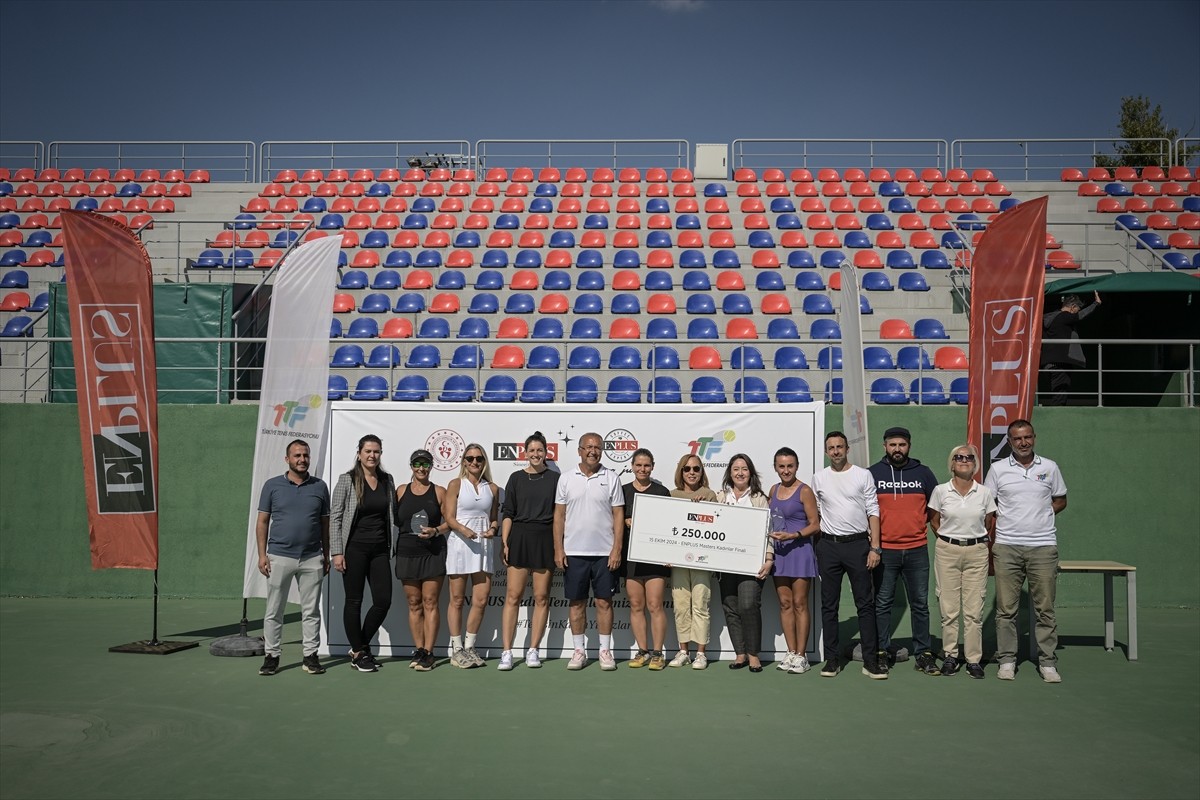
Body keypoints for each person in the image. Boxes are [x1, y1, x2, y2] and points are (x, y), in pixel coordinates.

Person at [984, 420, 1069, 683]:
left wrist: (1041, 515)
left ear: (1034, 438)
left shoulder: (1050, 467)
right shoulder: (998, 469)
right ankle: (1007, 660)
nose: (1023, 442)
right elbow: (988, 504)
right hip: (1007, 546)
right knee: (1006, 610)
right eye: (1017, 439)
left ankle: (1047, 663)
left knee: (1045, 609)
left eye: (1028, 437)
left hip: (1043, 547)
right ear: (1009, 441)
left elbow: (1060, 500)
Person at [810, 431, 887, 679]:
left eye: (840, 447)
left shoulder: (863, 475)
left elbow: (873, 510)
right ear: (826, 451)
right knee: (829, 606)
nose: (835, 451)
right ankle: (832, 660)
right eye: (831, 448)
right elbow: (817, 513)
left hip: (858, 547)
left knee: (865, 605)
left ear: (847, 449)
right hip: (828, 547)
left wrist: (875, 547)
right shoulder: (819, 478)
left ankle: (870, 661)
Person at [867, 426, 939, 675]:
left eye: (902, 445)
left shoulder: (924, 473)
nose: (897, 449)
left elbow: (935, 508)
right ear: (884, 446)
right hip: (884, 550)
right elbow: (865, 510)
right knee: (883, 604)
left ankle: (924, 653)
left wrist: (921, 528)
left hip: (917, 550)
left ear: (909, 446)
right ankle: (881, 651)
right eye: (892, 444)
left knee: (920, 604)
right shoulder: (872, 474)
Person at [255, 439, 330, 677]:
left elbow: (325, 523)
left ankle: (310, 656)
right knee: (274, 610)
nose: (302, 460)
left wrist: (325, 555)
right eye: (297, 456)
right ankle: (272, 656)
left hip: (312, 558)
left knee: (311, 611)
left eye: (305, 456)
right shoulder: (272, 486)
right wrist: (261, 555)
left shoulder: (320, 487)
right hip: (279, 556)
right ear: (287, 459)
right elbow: (262, 521)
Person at [554, 432, 624, 671]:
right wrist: (558, 548)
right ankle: (579, 651)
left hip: (605, 553)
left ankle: (605, 651)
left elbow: (618, 515)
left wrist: (616, 549)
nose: (593, 451)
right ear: (580, 450)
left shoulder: (612, 477)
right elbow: (559, 516)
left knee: (604, 602)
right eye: (588, 447)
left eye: (597, 447)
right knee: (577, 604)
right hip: (574, 552)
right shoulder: (565, 479)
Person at [928, 444, 996, 680]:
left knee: (974, 610)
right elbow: (934, 521)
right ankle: (950, 655)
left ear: (975, 463)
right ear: (952, 462)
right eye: (959, 457)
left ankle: (973, 660)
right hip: (947, 551)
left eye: (969, 457)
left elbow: (988, 523)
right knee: (949, 609)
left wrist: (972, 541)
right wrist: (950, 541)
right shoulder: (940, 491)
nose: (964, 460)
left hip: (977, 551)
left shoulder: (985, 493)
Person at [330, 434, 396, 673]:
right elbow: (335, 517)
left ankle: (360, 645)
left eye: (376, 451)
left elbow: (393, 515)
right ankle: (359, 652)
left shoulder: (387, 480)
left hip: (379, 550)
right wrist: (337, 552)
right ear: (359, 453)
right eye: (368, 451)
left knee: (383, 601)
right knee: (354, 602)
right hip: (354, 549)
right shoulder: (347, 480)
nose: (372, 456)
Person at [498, 431, 561, 671]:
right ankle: (507, 651)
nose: (536, 454)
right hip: (519, 538)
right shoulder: (515, 478)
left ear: (546, 453)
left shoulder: (555, 479)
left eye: (540, 450)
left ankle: (534, 649)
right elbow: (508, 513)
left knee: (541, 597)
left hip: (545, 538)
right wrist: (505, 542)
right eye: (532, 450)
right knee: (513, 596)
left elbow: (559, 516)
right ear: (526, 453)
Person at [715, 454, 773, 673]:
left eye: (744, 469)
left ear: (751, 473)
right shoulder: (720, 496)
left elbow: (769, 531)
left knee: (748, 605)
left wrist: (769, 558)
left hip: (752, 564)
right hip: (725, 563)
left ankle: (753, 654)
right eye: (736, 469)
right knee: (731, 606)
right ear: (730, 473)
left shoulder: (759, 498)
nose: (740, 473)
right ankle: (740, 654)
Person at [443, 443, 500, 669]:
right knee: (456, 599)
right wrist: (463, 530)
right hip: (459, 544)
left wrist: (493, 529)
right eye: (470, 458)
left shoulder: (493, 488)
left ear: (484, 461)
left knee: (481, 599)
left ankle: (470, 646)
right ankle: (456, 649)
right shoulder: (456, 484)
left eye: (478, 458)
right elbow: (448, 516)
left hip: (484, 546)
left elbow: (494, 517)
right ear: (463, 461)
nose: (474, 462)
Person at [394, 448, 450, 672]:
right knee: (414, 603)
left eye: (425, 464)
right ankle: (418, 649)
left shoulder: (439, 491)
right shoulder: (400, 491)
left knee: (430, 602)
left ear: (431, 467)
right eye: (417, 464)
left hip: (432, 552)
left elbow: (450, 521)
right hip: (407, 552)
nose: (421, 468)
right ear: (411, 466)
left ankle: (429, 652)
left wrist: (436, 530)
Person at [767, 447, 821, 675]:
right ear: (776, 468)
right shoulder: (773, 489)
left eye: (790, 466)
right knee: (785, 603)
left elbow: (815, 524)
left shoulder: (805, 491)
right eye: (781, 466)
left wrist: (795, 535)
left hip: (800, 552)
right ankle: (790, 652)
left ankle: (802, 655)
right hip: (779, 554)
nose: (786, 470)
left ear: (796, 467)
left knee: (800, 603)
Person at [621, 448, 673, 670]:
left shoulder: (662, 492)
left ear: (652, 467)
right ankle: (642, 650)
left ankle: (658, 653)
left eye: (647, 465)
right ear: (632, 466)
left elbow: (671, 526)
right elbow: (613, 520)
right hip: (630, 556)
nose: (642, 469)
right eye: (638, 465)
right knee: (636, 604)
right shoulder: (622, 491)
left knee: (654, 605)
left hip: (655, 557)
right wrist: (625, 521)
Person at [668, 453, 719, 670]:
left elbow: (718, 526)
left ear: (701, 472)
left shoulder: (709, 494)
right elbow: (666, 529)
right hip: (678, 562)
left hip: (702, 561)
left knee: (700, 604)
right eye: (687, 469)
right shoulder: (671, 495)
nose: (691, 473)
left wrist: (704, 508)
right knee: (681, 606)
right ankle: (683, 651)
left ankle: (700, 653)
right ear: (681, 471)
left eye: (696, 469)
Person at [1041, 291, 1101, 406]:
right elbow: (1081, 315)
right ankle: (1057, 418)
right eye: (1077, 308)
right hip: (1060, 363)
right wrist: (1096, 304)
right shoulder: (1064, 316)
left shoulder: (1051, 318)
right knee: (1060, 395)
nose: (1076, 311)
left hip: (1048, 363)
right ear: (1073, 306)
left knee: (1057, 391)